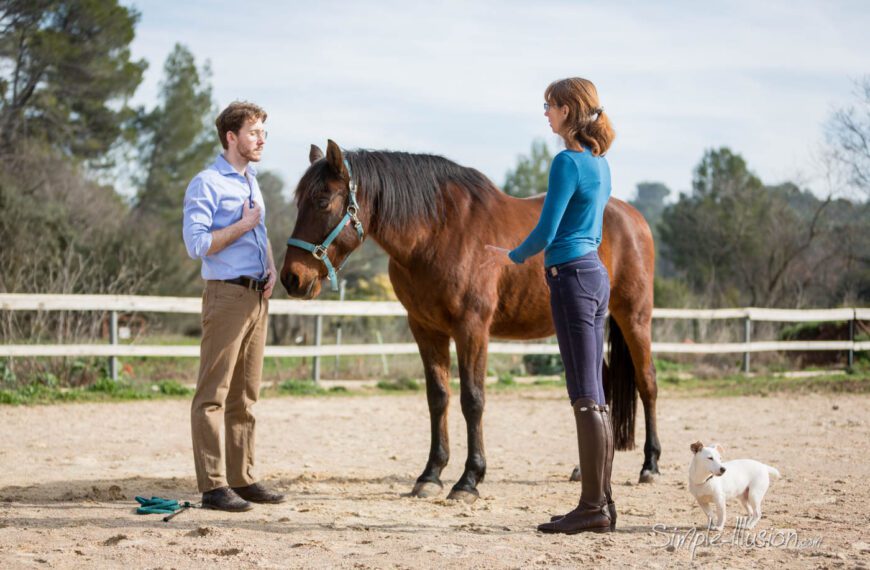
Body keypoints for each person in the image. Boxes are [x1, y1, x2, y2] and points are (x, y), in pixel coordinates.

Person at [486, 77, 616, 534]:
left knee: (584, 394)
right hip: (594, 274)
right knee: (595, 394)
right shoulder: (600, 163)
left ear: (567, 110)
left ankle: (593, 506)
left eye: (549, 105)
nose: (544, 112)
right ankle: (602, 502)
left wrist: (511, 256)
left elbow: (546, 229)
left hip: (571, 278)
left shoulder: (566, 162)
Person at [182, 101, 284, 512]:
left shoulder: (251, 182)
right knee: (213, 394)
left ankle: (243, 478)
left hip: (257, 297)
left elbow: (261, 232)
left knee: (246, 396)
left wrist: (271, 267)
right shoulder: (206, 183)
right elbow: (197, 245)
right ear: (231, 137)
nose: (261, 140)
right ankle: (213, 486)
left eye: (263, 133)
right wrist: (242, 225)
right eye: (253, 132)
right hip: (225, 296)